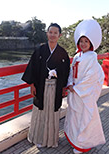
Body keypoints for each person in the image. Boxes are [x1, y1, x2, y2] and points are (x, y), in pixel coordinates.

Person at [22, 23, 70, 148]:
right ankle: (37, 137)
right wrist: (32, 85)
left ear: (60, 35)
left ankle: (51, 140)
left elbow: (66, 72)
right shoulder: (40, 50)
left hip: (56, 87)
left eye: (55, 33)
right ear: (47, 33)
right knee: (40, 112)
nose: (53, 35)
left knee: (53, 113)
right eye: (51, 32)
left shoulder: (63, 53)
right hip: (41, 86)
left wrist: (59, 76)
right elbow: (32, 68)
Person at [64, 19, 106, 154]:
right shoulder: (77, 56)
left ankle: (82, 144)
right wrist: (70, 83)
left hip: (83, 93)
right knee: (74, 118)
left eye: (86, 41)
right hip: (74, 91)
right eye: (81, 41)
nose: (83, 44)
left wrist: (76, 88)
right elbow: (72, 72)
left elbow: (91, 78)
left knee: (85, 118)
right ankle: (74, 140)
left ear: (91, 43)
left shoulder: (92, 58)